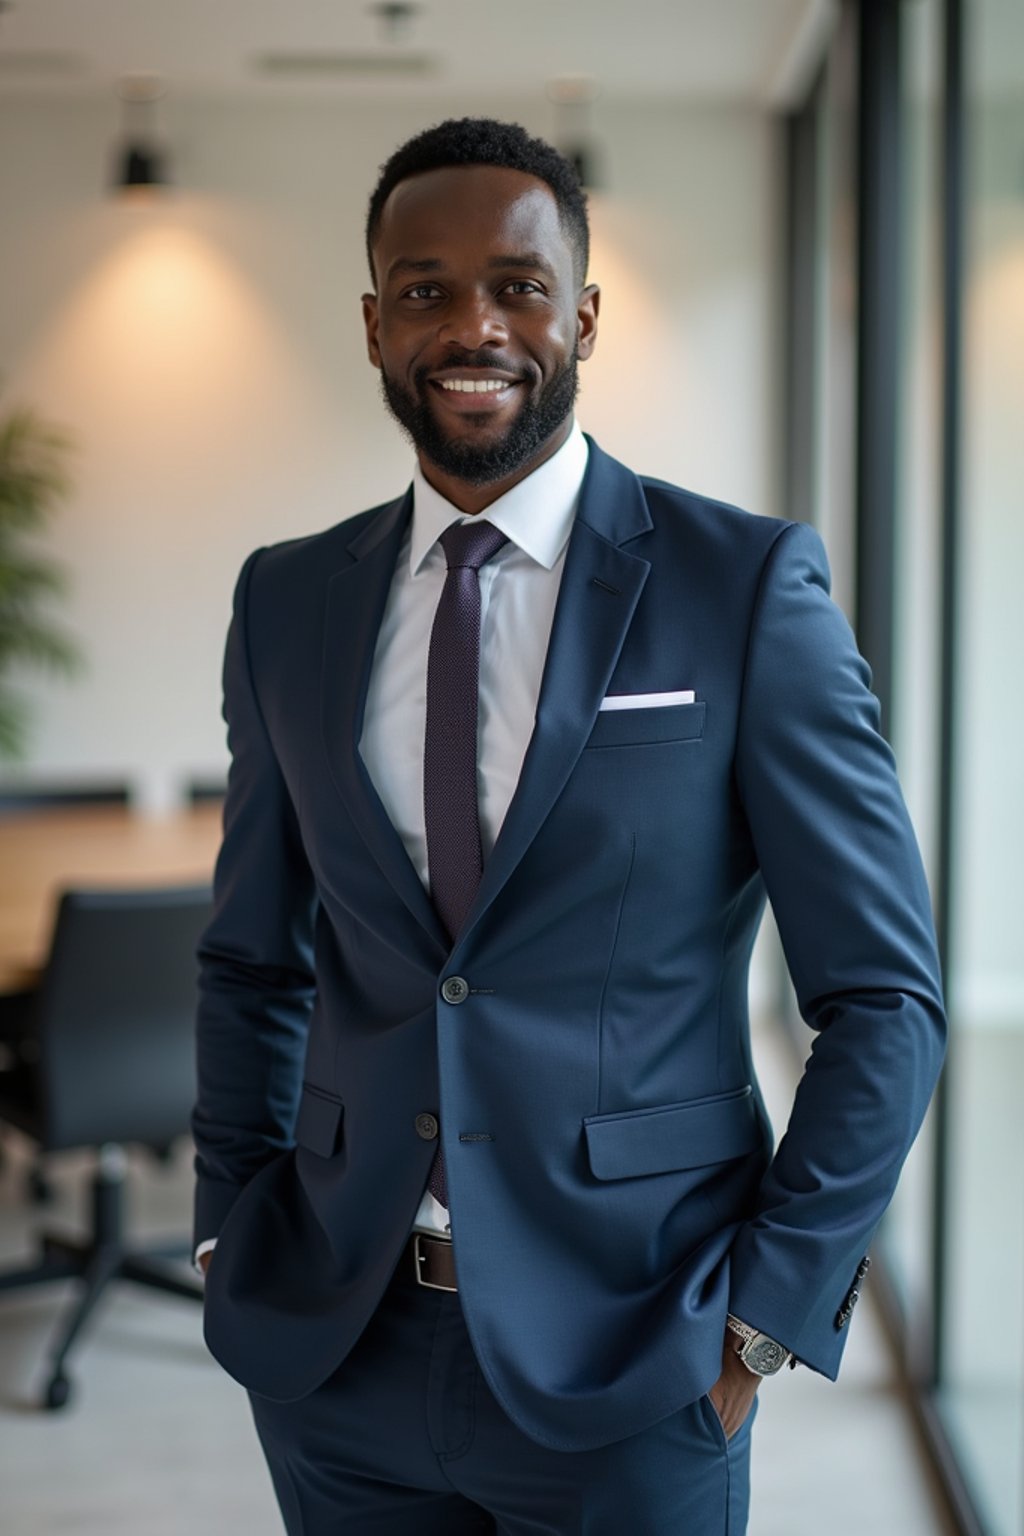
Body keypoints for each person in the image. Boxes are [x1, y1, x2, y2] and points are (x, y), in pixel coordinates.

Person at [192, 117, 946, 1535]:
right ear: (372, 325)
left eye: (517, 284)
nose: (472, 323)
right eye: (424, 288)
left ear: (582, 313)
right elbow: (252, 958)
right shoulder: (284, 602)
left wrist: (764, 1320)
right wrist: (231, 1225)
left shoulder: (743, 586)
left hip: (639, 1354)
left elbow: (886, 999)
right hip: (337, 1350)